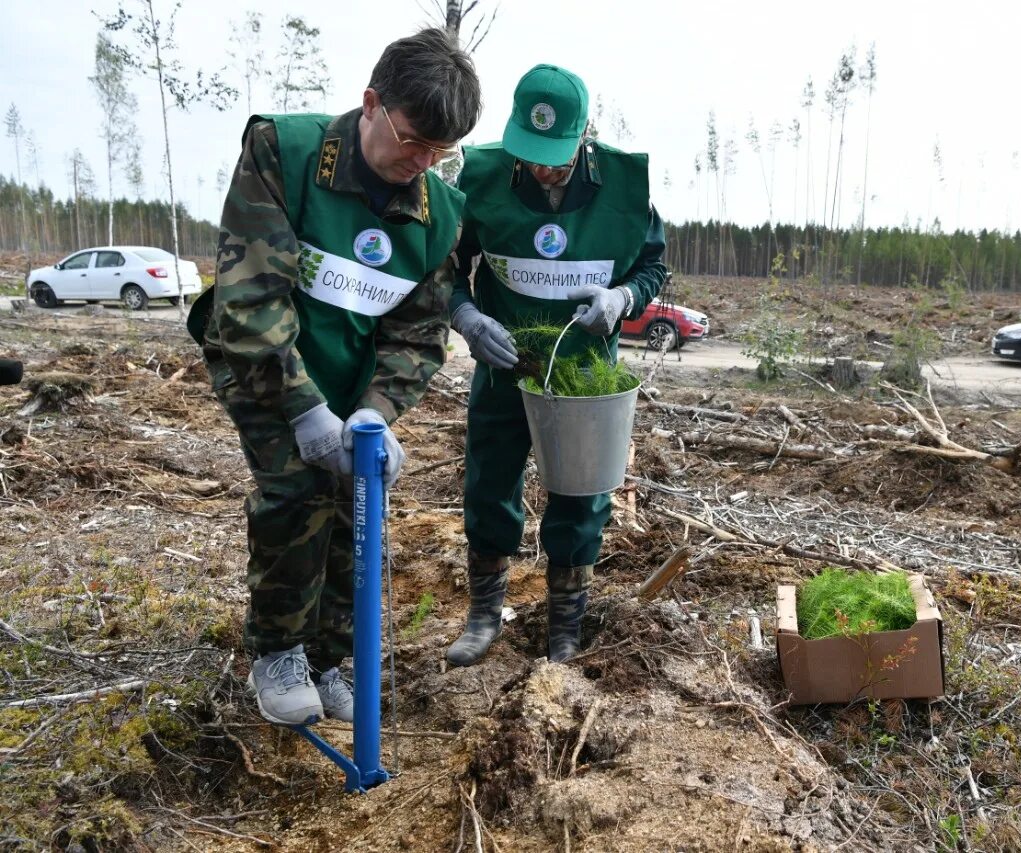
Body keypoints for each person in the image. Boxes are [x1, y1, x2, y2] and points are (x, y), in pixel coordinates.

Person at [186, 29, 482, 725]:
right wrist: (304, 410)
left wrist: (376, 409)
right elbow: (252, 297)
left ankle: (327, 656)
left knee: (359, 496)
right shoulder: (284, 153)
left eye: (441, 152)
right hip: (261, 359)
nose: (423, 162)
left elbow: (418, 332)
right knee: (296, 485)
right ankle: (278, 648)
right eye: (413, 141)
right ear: (372, 104)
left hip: (350, 376)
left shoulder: (440, 214)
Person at [446, 64, 667, 667]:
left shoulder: (623, 187)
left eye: (556, 157)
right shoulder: (483, 177)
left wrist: (622, 300)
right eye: (531, 154)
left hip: (583, 378)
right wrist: (466, 317)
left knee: (580, 495)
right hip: (505, 366)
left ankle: (565, 620)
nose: (542, 168)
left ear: (584, 136)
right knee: (489, 483)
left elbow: (652, 269)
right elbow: (444, 266)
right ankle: (485, 611)